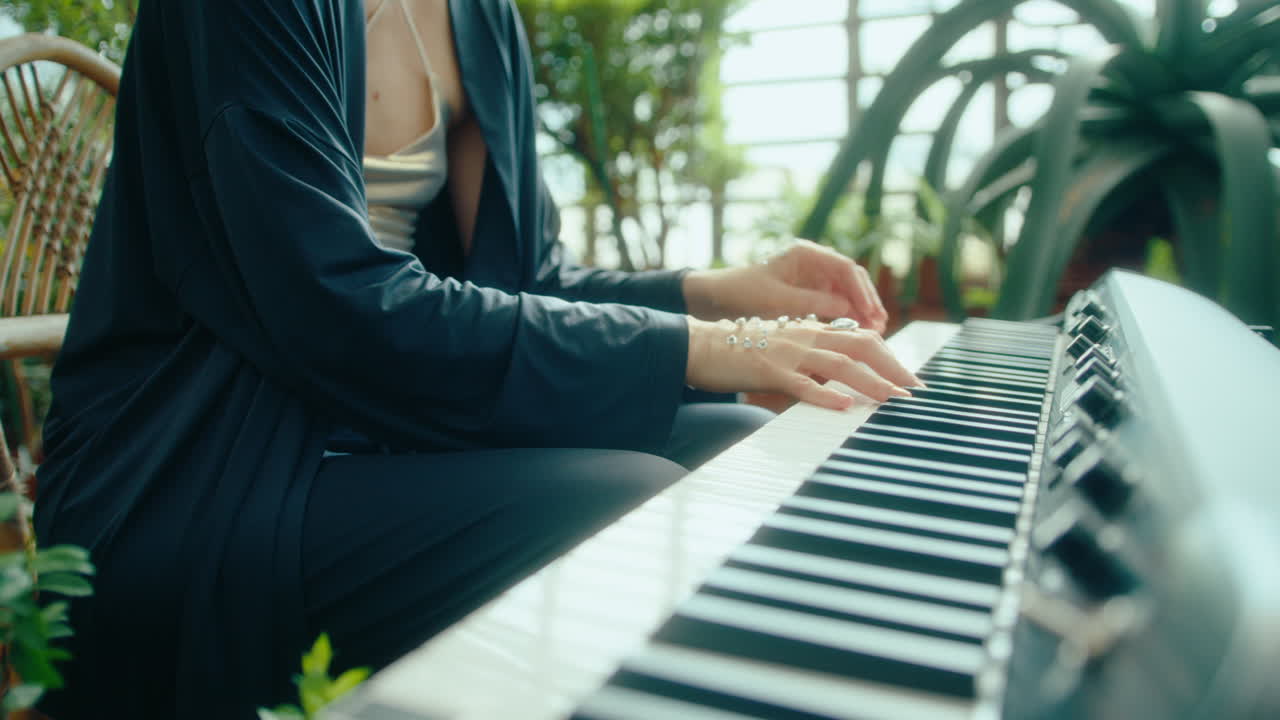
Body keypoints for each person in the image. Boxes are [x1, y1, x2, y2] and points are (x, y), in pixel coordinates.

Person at [32, 1, 921, 718]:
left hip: (376, 423)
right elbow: (331, 305)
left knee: (736, 450)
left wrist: (725, 293)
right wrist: (714, 348)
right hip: (205, 465)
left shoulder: (478, 16)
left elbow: (525, 278)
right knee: (630, 509)